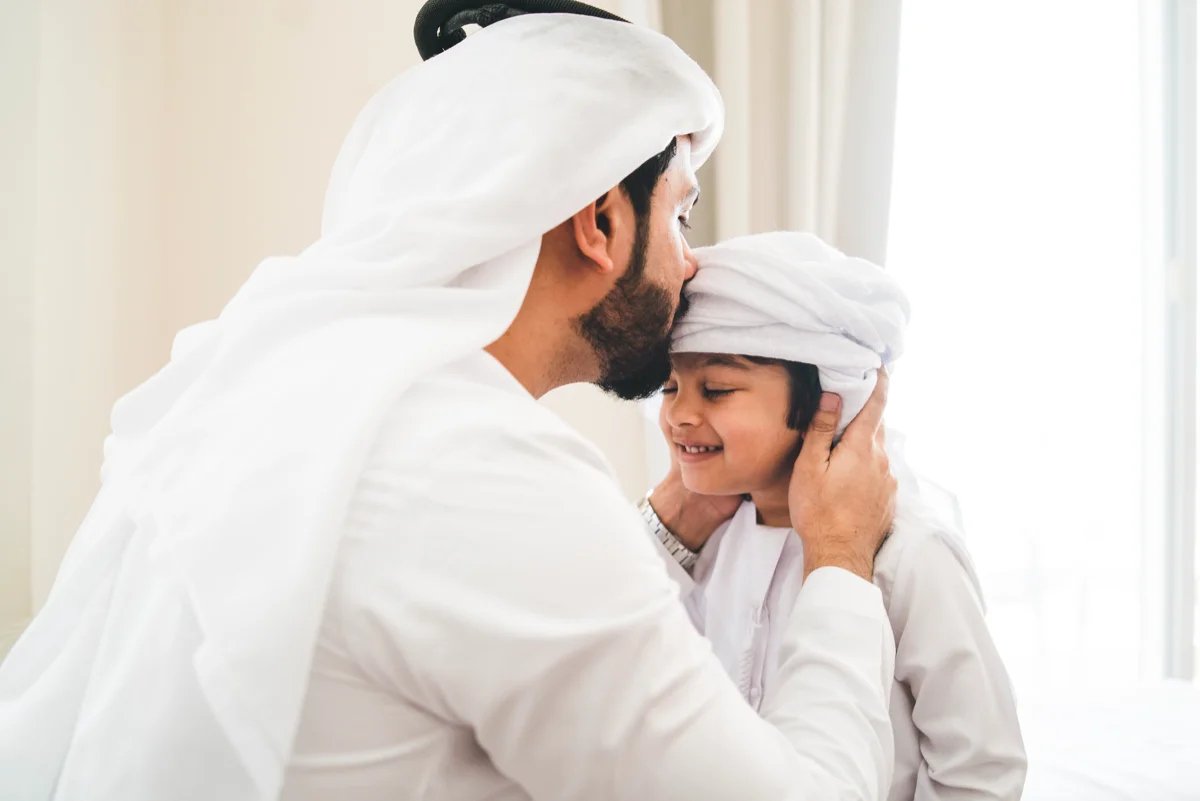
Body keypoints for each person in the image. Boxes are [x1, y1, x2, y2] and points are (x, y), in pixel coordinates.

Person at [0, 7, 898, 801]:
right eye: (681, 216)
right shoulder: (480, 468)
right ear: (599, 220)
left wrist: (670, 523)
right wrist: (841, 561)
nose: (691, 263)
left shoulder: (284, 398)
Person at [649, 231, 1027, 801]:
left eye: (718, 389)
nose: (680, 413)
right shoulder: (714, 543)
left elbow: (981, 768)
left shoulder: (909, 555)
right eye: (670, 386)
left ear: (825, 399)